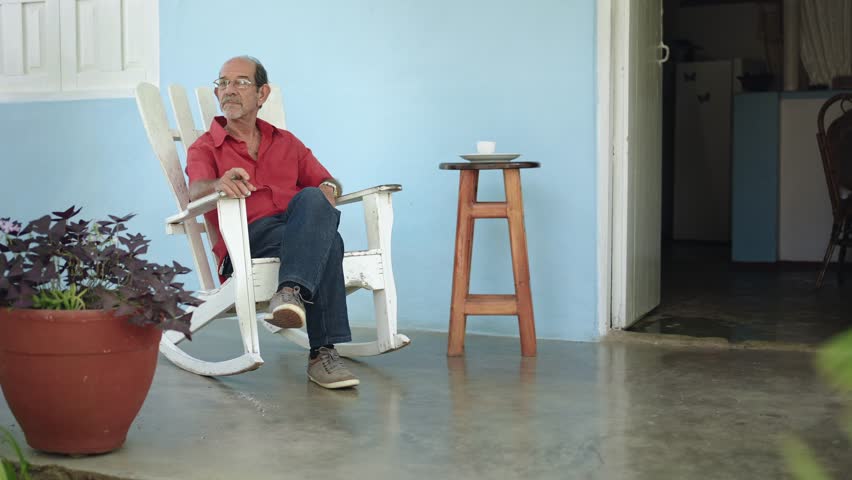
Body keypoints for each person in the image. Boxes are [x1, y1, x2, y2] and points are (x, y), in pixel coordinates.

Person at [185, 55, 358, 389]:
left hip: (295, 230)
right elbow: (195, 191)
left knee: (313, 198)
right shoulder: (206, 147)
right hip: (247, 238)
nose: (228, 90)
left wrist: (329, 187)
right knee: (329, 241)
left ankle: (289, 292)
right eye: (222, 83)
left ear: (262, 94)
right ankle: (322, 352)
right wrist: (218, 183)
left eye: (240, 82)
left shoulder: (286, 142)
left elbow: (328, 182)